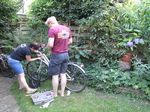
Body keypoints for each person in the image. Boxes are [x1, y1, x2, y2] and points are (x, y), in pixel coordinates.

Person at [45, 16, 73, 97]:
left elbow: (50, 44)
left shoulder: (52, 29)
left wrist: (52, 48)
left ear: (50, 23)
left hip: (56, 55)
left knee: (55, 75)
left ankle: (55, 93)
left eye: (48, 25)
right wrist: (62, 45)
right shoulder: (66, 29)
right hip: (65, 54)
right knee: (63, 74)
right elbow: (70, 41)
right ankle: (62, 93)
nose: (49, 26)